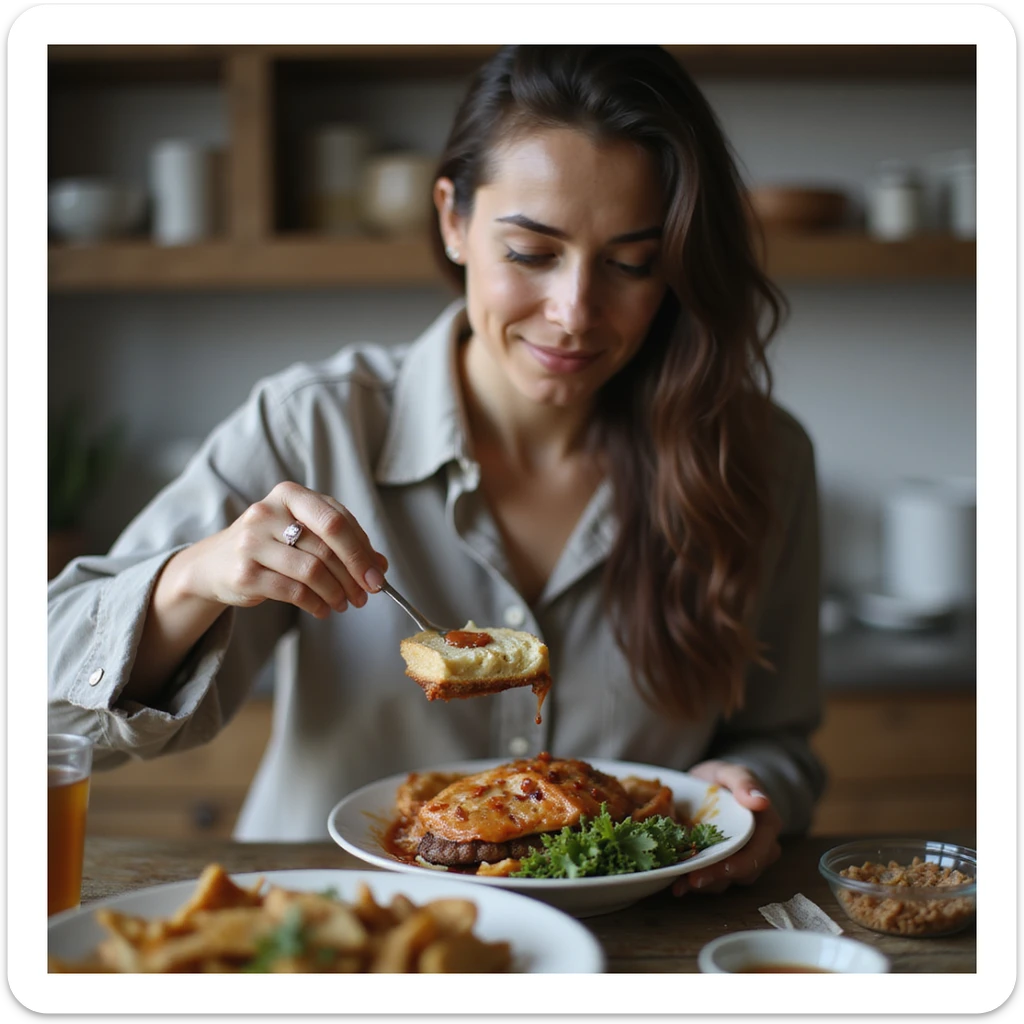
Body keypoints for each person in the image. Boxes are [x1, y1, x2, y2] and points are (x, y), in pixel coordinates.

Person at [48, 44, 824, 896]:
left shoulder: (762, 457)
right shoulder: (313, 425)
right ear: (453, 219)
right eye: (532, 252)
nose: (572, 313)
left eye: (630, 262)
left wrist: (747, 793)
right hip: (338, 933)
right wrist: (193, 578)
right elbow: (45, 704)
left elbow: (780, 742)